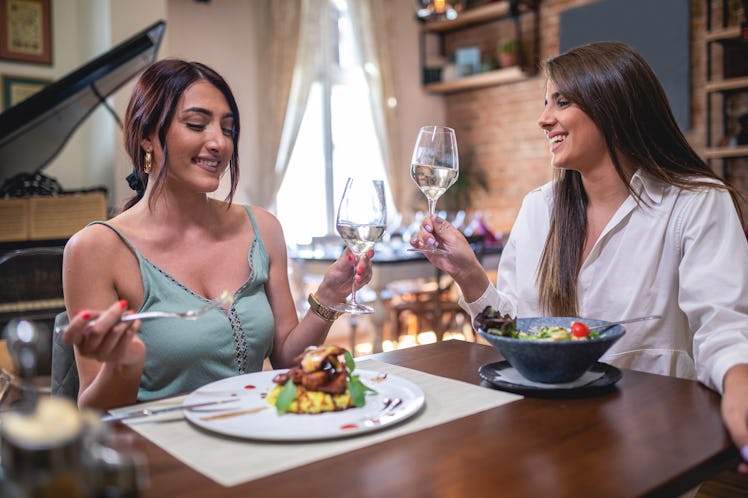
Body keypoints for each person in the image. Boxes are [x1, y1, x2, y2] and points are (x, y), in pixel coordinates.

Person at [410, 41, 748, 473]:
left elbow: (724, 326)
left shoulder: (696, 204)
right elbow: (520, 333)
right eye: (545, 102)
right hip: (540, 436)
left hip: (654, 445)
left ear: (614, 105)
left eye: (561, 101)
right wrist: (470, 276)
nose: (543, 118)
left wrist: (740, 384)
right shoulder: (540, 207)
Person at [61, 59, 371, 410]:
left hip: (255, 438)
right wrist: (124, 364)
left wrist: (329, 296)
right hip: (160, 453)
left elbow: (288, 359)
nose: (219, 143)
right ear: (147, 136)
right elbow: (95, 412)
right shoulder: (96, 249)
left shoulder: (263, 229)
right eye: (196, 124)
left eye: (228, 129)